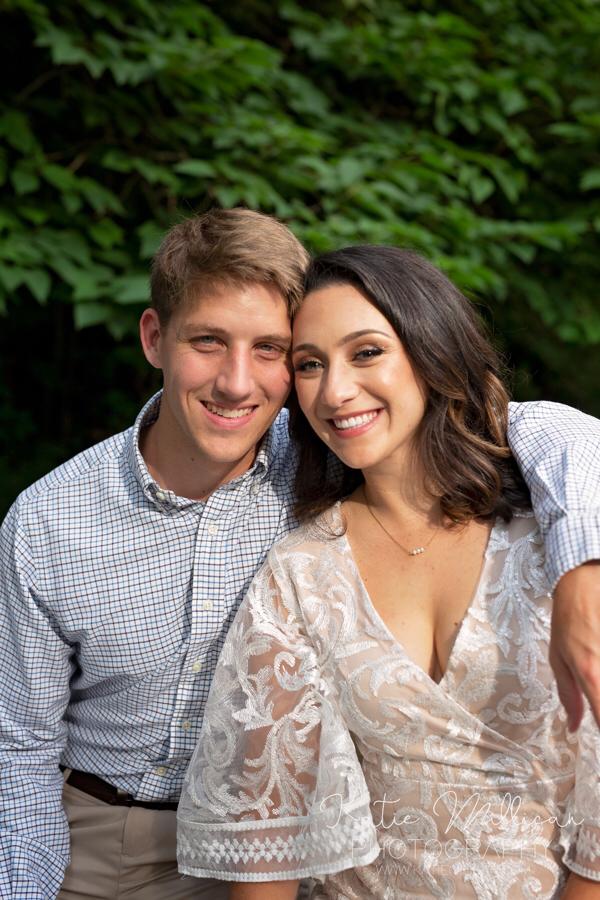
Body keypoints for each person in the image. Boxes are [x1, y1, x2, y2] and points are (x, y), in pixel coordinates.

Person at [0, 212, 598, 900]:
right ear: (154, 338)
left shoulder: (335, 446)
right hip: (106, 838)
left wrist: (583, 567)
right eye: (208, 341)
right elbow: (18, 750)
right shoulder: (50, 522)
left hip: (307, 846)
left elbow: (549, 430)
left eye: (271, 351)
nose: (236, 383)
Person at [177, 246, 600, 899]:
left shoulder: (562, 531)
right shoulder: (302, 571)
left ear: (432, 350)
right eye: (309, 365)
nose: (335, 391)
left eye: (367, 352)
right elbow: (268, 836)